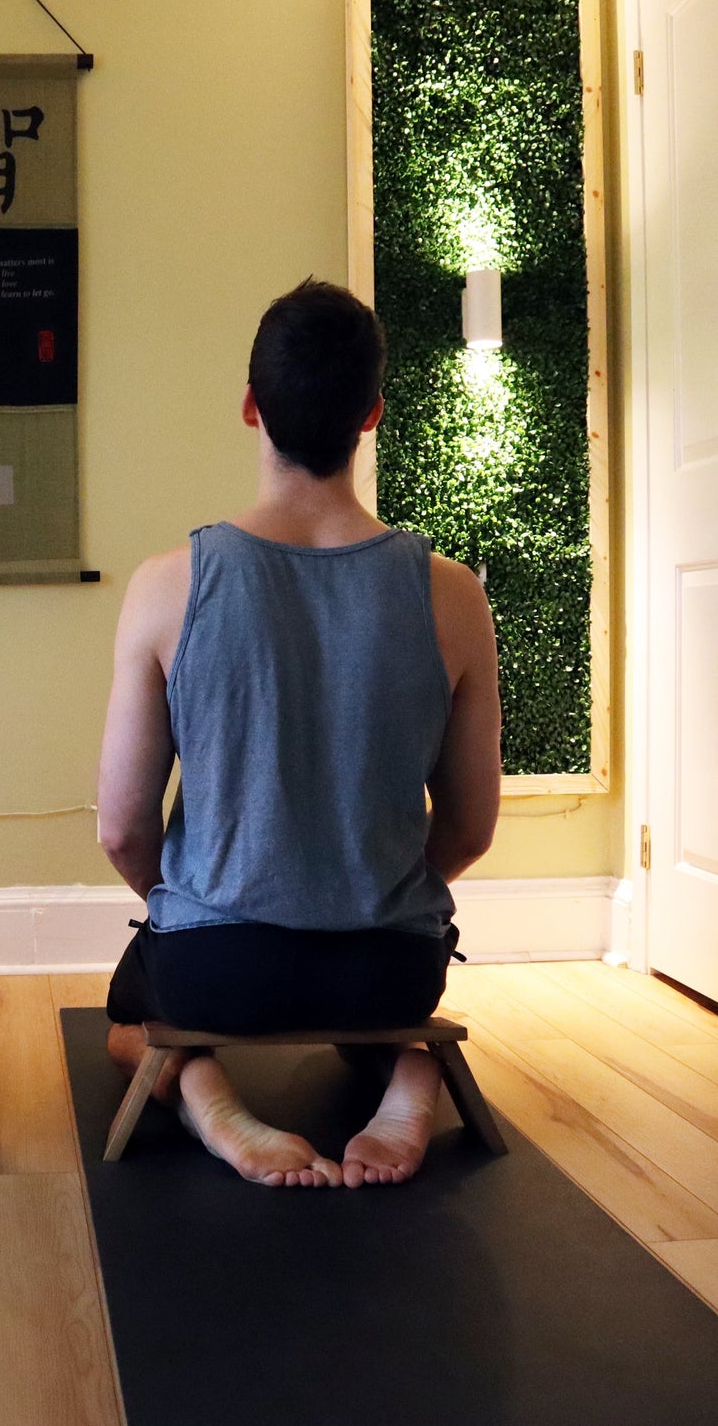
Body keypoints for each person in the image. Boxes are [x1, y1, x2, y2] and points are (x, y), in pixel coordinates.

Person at [97, 279, 501, 1189]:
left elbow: (121, 828)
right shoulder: (452, 595)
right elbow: (470, 826)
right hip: (390, 972)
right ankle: (408, 1067)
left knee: (128, 1018)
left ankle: (204, 1093)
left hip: (218, 969)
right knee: (370, 1013)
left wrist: (192, 901)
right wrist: (366, 894)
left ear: (251, 406)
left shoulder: (165, 584)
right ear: (371, 415)